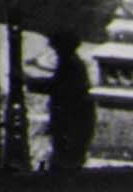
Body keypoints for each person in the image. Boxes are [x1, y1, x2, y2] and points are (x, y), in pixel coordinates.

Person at [27, 31, 95, 174]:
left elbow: (58, 88)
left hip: (71, 122)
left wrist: (29, 82)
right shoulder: (72, 62)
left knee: (66, 162)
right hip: (74, 120)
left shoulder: (71, 65)